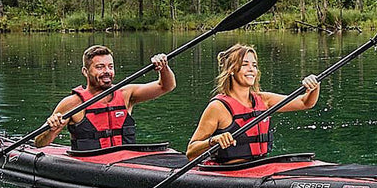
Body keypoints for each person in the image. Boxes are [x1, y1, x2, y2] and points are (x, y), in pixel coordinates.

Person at [186, 43, 319, 162]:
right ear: (231, 70)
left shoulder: (264, 100)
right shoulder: (218, 107)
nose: (251, 69)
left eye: (254, 65)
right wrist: (213, 141)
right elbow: (191, 152)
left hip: (260, 167)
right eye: (245, 65)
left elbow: (305, 102)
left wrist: (314, 85)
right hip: (230, 172)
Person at [35, 44, 176, 150]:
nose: (107, 71)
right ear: (85, 71)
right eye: (100, 67)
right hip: (89, 165)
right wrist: (51, 129)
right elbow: (39, 143)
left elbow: (166, 86)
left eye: (110, 66)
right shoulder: (72, 103)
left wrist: (163, 68)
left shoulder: (127, 94)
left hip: (126, 162)